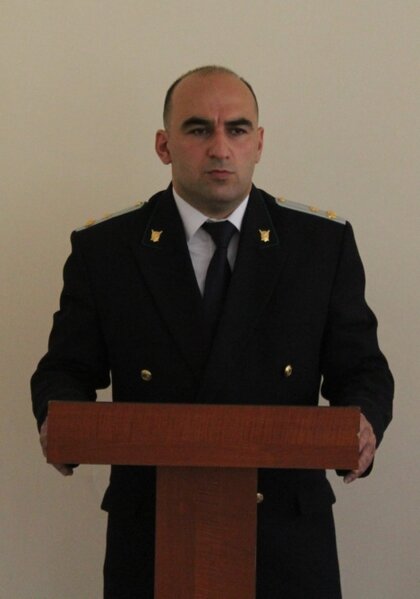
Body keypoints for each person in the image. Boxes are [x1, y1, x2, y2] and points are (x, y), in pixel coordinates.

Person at [31, 65, 393, 599]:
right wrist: (57, 419)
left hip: (286, 539)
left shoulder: (320, 246)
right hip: (154, 534)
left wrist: (364, 422)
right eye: (199, 129)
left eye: (237, 130)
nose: (220, 148)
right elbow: (66, 369)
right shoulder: (106, 251)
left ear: (259, 143)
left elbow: (361, 368)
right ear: (164, 145)